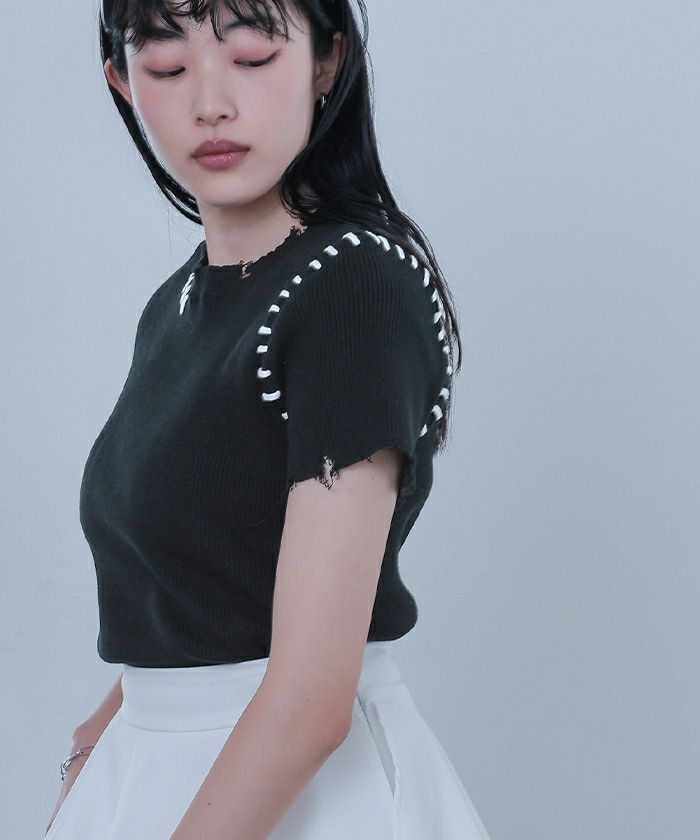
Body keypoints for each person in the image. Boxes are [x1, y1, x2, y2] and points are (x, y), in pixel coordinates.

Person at [44, 1, 492, 838]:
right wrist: (97, 746)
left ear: (327, 60)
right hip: (160, 777)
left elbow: (309, 702)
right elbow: (198, 591)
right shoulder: (178, 302)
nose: (210, 104)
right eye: (168, 68)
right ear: (122, 83)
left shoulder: (353, 285)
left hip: (298, 793)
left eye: (251, 56)